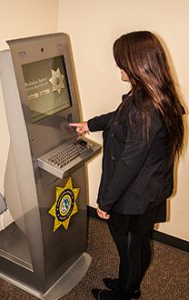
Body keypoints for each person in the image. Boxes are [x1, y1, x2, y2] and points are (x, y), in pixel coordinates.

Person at [70, 31, 184, 300]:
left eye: (121, 61)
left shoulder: (145, 110)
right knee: (139, 242)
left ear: (137, 65)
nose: (118, 67)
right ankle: (127, 282)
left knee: (130, 246)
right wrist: (91, 124)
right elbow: (120, 115)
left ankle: (127, 292)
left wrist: (105, 203)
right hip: (150, 190)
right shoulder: (155, 94)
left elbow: (127, 166)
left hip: (133, 197)